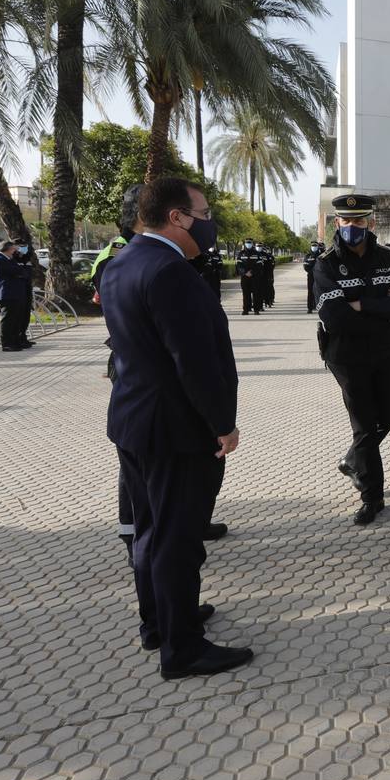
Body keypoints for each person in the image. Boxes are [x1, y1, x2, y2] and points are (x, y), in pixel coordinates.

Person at [100, 176, 251, 680]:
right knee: (178, 539)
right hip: (176, 431)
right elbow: (196, 363)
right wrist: (223, 425)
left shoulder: (121, 263)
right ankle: (183, 648)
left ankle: (159, 621)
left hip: (134, 422)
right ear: (176, 217)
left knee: (150, 530)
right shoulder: (170, 272)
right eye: (203, 212)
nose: (210, 222)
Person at [313, 193, 390, 526]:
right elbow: (336, 318)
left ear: (370, 222)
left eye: (359, 221)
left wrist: (361, 305)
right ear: (336, 223)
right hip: (346, 355)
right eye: (346, 221)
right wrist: (380, 306)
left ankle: (352, 459)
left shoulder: (386, 258)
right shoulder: (326, 263)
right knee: (365, 425)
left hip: (382, 350)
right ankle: (373, 498)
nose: (352, 227)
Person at [0, 240, 29, 352]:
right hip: (8, 294)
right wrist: (21, 273)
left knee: (16, 319)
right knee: (9, 320)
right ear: (8, 249)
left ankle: (16, 342)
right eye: (13, 249)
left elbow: (22, 272)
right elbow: (17, 271)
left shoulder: (8, 259)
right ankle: (7, 343)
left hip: (16, 294)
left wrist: (22, 273)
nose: (14, 251)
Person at [235, 238, 261, 315]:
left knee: (256, 293)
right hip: (244, 277)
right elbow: (238, 265)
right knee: (246, 294)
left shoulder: (257, 254)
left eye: (250, 243)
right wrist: (245, 272)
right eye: (247, 243)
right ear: (245, 244)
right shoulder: (241, 253)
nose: (248, 244)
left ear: (252, 244)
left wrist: (252, 272)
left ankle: (256, 309)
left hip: (254, 277)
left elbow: (259, 265)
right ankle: (246, 309)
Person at [303, 241, 324, 313]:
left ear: (318, 247)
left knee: (320, 291)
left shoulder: (321, 255)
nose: (314, 247)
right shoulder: (308, 256)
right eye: (313, 246)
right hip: (311, 276)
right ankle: (310, 308)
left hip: (320, 276)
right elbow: (305, 266)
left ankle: (320, 307)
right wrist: (312, 270)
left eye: (315, 246)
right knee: (310, 292)